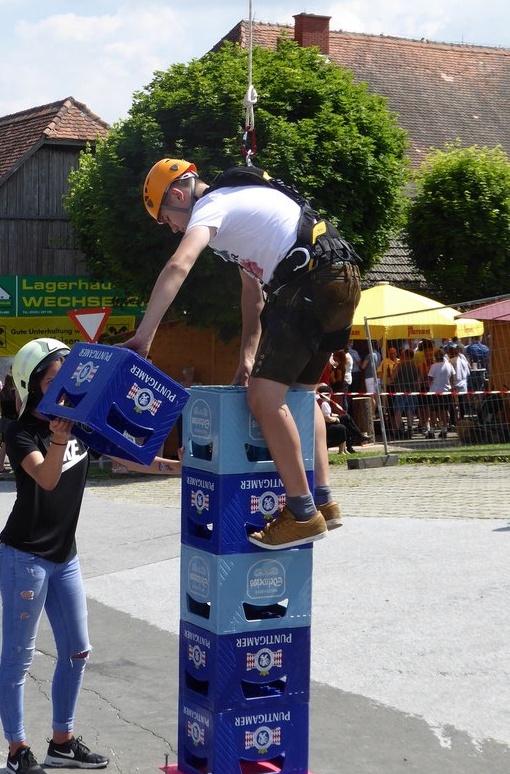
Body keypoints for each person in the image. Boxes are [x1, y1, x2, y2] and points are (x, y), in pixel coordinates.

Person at [122, 158, 361, 549]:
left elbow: (179, 264)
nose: (173, 228)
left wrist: (144, 336)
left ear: (178, 195)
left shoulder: (212, 205)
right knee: (300, 396)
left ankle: (302, 514)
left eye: (166, 219)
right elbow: (252, 295)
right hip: (340, 277)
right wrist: (247, 361)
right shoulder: (241, 210)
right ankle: (323, 499)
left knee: (265, 400)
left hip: (307, 282)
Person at [0, 337, 183, 774]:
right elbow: (46, 478)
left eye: (67, 374)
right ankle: (17, 751)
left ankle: (61, 744)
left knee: (78, 651)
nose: (63, 384)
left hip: (65, 557)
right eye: (52, 378)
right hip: (25, 558)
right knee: (19, 658)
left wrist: (180, 468)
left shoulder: (79, 424)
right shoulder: (20, 432)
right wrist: (60, 438)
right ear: (32, 386)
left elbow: (128, 457)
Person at [316, 385, 367, 454]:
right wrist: (336, 419)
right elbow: (327, 419)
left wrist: (335, 415)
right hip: (326, 424)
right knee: (345, 419)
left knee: (345, 418)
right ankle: (358, 437)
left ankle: (354, 441)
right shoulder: (324, 403)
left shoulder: (318, 402)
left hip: (324, 423)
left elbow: (325, 414)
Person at [425, 348, 455, 437]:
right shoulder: (449, 365)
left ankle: (432, 431)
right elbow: (453, 378)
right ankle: (444, 429)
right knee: (444, 410)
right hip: (446, 391)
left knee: (433, 411)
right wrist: (451, 387)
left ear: (435, 356)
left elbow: (430, 379)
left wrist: (428, 386)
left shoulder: (433, 366)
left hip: (434, 391)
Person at [392, 349, 421, 437]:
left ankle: (399, 430)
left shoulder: (399, 365)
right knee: (410, 411)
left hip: (401, 390)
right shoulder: (416, 366)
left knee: (398, 410)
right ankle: (409, 429)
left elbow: (393, 377)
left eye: (402, 355)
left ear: (406, 356)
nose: (401, 356)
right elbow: (418, 382)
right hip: (412, 391)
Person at [0, 371, 18, 472]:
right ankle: (15, 465)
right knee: (15, 443)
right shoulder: (15, 392)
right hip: (14, 419)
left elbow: (0, 409)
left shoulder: (1, 394)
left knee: (4, 443)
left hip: (5, 419)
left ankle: (1, 465)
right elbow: (18, 407)